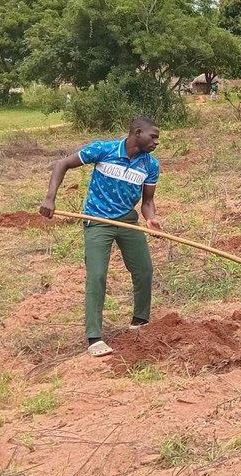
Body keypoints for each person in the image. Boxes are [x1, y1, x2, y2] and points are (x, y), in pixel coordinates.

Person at [39, 117, 162, 357]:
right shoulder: (103, 150)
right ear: (137, 132)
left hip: (127, 220)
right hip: (97, 220)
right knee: (97, 275)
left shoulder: (150, 165)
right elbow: (62, 164)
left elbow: (147, 201)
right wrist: (50, 198)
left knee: (144, 269)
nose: (156, 142)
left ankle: (140, 321)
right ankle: (94, 338)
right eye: (153, 136)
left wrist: (151, 219)